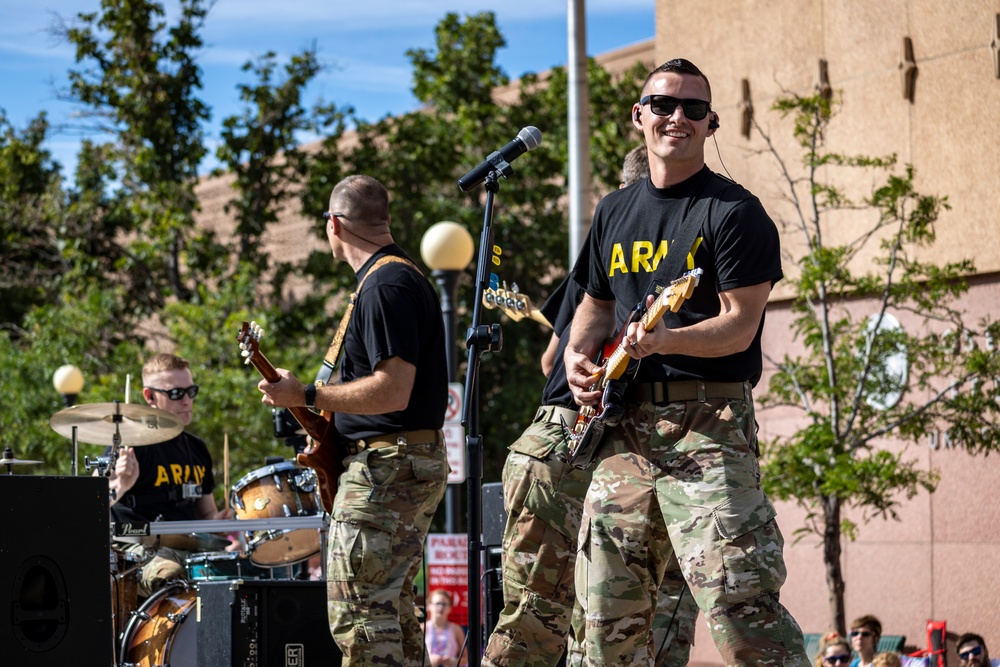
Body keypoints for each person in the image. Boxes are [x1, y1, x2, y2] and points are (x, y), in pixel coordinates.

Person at [564, 58, 810, 666]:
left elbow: (739, 326)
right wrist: (576, 356)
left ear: (711, 123)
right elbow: (595, 306)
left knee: (740, 609)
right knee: (605, 621)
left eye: (693, 109)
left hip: (708, 427)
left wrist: (664, 341)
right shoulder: (614, 211)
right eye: (664, 105)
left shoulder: (734, 213)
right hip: (621, 435)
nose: (678, 118)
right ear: (638, 116)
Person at [483, 145, 698, 667]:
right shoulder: (661, 242)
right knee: (636, 619)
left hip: (552, 438)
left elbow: (552, 359)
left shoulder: (610, 242)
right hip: (606, 444)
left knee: (538, 617)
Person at [257, 174, 450, 666]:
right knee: (392, 616)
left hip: (386, 469)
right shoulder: (393, 278)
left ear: (334, 225)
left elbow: (393, 389)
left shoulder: (385, 284)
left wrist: (306, 392)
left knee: (361, 615)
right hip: (397, 464)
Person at [106, 352, 232, 597]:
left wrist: (224, 520)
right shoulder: (130, 444)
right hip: (139, 549)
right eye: (176, 393)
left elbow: (206, 514)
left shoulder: (197, 448)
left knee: (236, 573)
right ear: (149, 396)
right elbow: (89, 503)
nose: (187, 401)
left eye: (191, 391)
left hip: (188, 546)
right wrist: (120, 484)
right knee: (169, 574)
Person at [423, 590, 468, 667]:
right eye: (437, 603)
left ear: (450, 608)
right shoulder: (422, 628)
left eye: (444, 604)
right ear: (429, 606)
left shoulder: (456, 629)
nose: (441, 607)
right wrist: (428, 660)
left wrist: (453, 661)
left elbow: (465, 658)